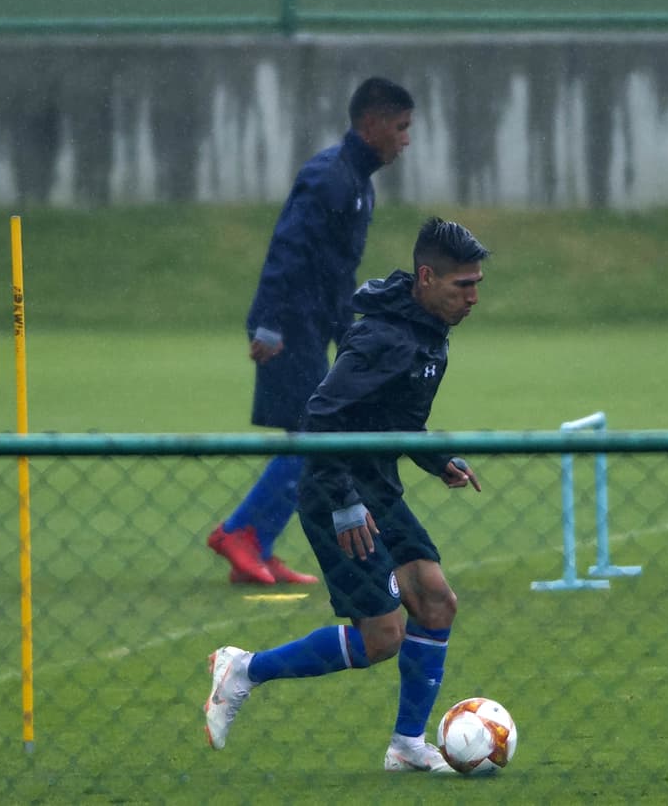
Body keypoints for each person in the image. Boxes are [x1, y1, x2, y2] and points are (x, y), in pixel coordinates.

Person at [204, 217, 489, 771]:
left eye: (477, 284)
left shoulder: (431, 336)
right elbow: (319, 417)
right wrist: (344, 501)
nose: (474, 297)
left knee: (435, 601)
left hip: (376, 488)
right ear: (427, 278)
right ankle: (242, 670)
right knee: (382, 637)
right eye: (464, 286)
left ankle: (408, 747)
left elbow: (400, 423)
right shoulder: (383, 338)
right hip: (337, 495)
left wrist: (438, 461)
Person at [207, 77, 415, 586]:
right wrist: (271, 324)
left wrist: (350, 333)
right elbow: (288, 249)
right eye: (400, 127)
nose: (406, 139)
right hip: (289, 325)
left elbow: (337, 271)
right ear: (370, 124)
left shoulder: (357, 182)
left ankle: (255, 541)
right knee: (317, 437)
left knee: (317, 437)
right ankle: (241, 533)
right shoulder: (330, 177)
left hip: (312, 324)